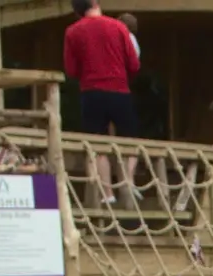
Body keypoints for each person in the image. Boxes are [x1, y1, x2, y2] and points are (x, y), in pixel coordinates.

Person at [63, 0, 140, 205]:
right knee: (130, 140)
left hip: (91, 92)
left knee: (97, 145)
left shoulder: (72, 32)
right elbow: (133, 63)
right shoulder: (118, 27)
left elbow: (71, 70)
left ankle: (108, 194)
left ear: (77, 11)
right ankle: (128, 182)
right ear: (95, 3)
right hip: (119, 90)